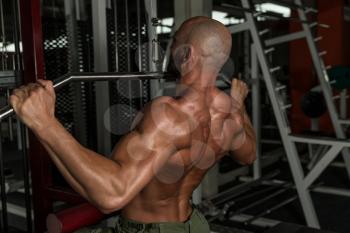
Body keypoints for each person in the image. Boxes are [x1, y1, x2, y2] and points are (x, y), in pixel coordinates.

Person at [10, 16, 256, 233]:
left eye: (174, 42)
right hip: (193, 225)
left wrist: (44, 123)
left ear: (187, 54)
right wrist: (239, 104)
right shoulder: (231, 114)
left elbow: (112, 195)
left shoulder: (171, 116)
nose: (169, 51)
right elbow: (249, 155)